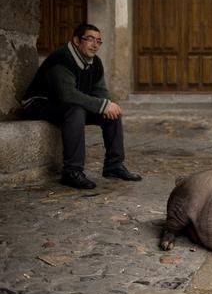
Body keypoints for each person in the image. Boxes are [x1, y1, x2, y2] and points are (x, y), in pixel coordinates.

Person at [21, 23, 142, 189]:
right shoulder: (61, 58)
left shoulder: (95, 63)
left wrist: (109, 105)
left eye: (99, 41)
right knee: (76, 110)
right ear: (77, 41)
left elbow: (100, 92)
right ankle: (72, 171)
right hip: (38, 104)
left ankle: (114, 166)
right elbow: (67, 95)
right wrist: (102, 105)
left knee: (111, 112)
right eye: (90, 39)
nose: (95, 45)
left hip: (64, 106)